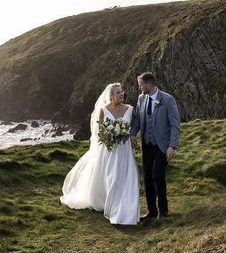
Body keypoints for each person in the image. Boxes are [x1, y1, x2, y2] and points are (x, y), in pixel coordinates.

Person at [60, 83, 140, 225]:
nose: (121, 94)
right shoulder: (103, 110)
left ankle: (127, 208)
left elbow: (136, 126)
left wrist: (132, 135)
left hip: (125, 150)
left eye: (122, 92)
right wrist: (110, 135)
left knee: (126, 176)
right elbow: (99, 132)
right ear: (110, 96)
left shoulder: (130, 110)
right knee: (110, 177)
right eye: (117, 93)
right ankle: (107, 202)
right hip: (109, 150)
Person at [130, 72, 180, 220]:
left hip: (162, 146)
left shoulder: (168, 99)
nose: (140, 89)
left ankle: (163, 210)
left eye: (141, 86)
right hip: (147, 145)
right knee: (148, 179)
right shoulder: (141, 98)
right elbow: (139, 119)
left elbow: (175, 124)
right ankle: (152, 211)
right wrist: (133, 133)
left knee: (157, 176)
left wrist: (173, 146)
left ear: (147, 85)